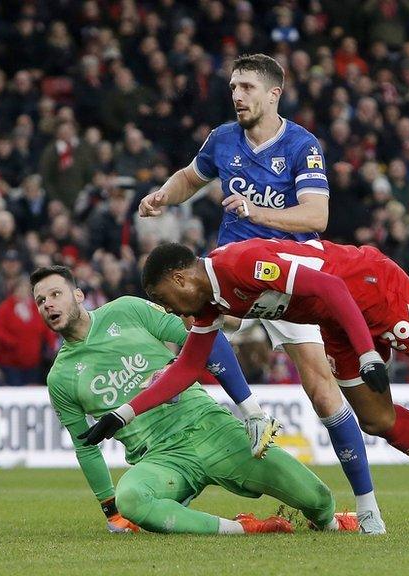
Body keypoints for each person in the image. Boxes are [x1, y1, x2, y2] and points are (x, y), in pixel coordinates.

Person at [83, 240, 409, 535]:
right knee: (376, 419)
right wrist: (123, 415)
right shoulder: (211, 304)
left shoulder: (237, 264)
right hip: (334, 320)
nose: (165, 308)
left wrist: (369, 351)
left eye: (161, 296)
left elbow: (330, 285)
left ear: (180, 276)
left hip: (370, 288)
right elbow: (187, 367)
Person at [136, 53, 384, 534]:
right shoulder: (222, 139)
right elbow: (191, 177)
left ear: (274, 94)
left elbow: (316, 219)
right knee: (195, 327)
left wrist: (257, 211)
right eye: (233, 87)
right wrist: (164, 195)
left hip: (289, 277)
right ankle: (250, 413)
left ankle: (368, 505)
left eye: (247, 87)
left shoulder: (301, 145)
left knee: (319, 385)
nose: (237, 95)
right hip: (232, 270)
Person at [31, 265, 358, 535]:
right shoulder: (60, 378)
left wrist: (249, 410)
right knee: (131, 500)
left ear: (78, 295)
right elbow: (85, 447)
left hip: (210, 428)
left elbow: (203, 340)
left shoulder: (126, 311)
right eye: (41, 300)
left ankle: (332, 520)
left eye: (55, 294)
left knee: (316, 497)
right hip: (162, 459)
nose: (48, 304)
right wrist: (111, 510)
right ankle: (242, 529)